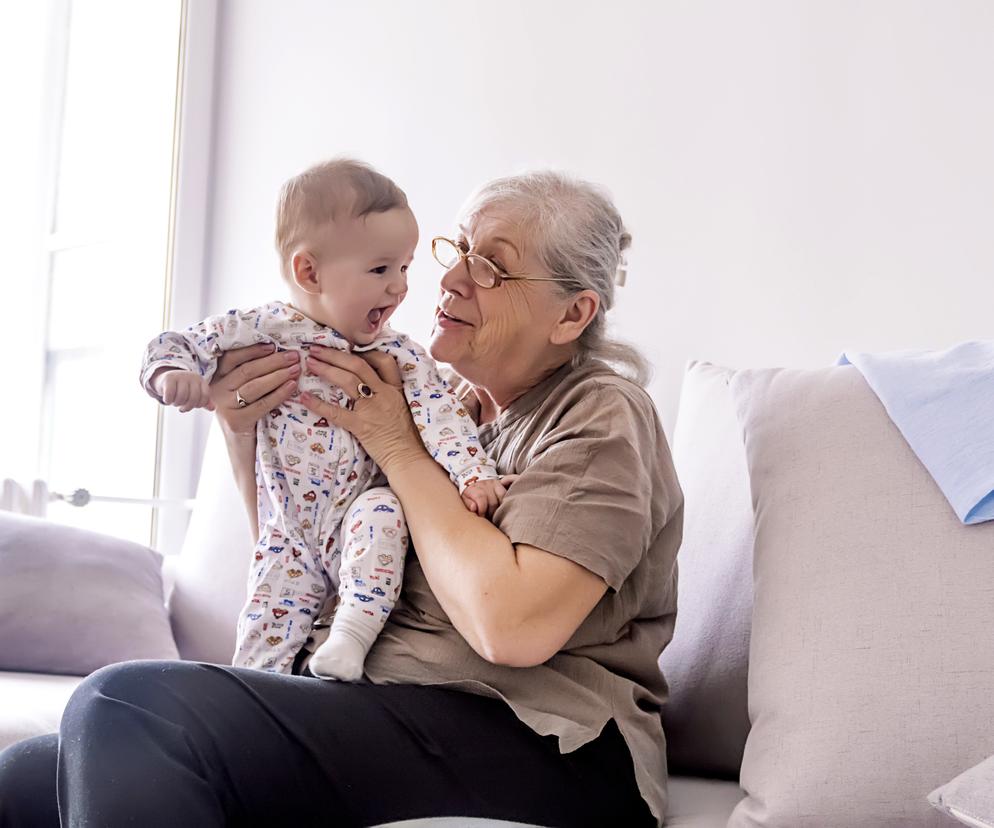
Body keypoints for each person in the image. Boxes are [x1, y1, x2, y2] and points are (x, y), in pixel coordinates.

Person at [0, 170, 682, 828]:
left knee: (126, 700)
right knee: (25, 779)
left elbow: (512, 627)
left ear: (573, 314)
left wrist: (396, 445)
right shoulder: (448, 405)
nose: (447, 279)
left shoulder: (599, 412)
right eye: (457, 251)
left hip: (546, 740)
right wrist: (240, 435)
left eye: (491, 267)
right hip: (379, 702)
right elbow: (310, 549)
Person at [139, 158, 505, 680]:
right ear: (308, 272)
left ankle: (350, 637)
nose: (400, 288)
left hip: (356, 515)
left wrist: (474, 473)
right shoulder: (261, 329)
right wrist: (171, 373)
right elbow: (177, 342)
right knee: (262, 636)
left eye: (404, 268)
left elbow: (443, 416)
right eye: (381, 270)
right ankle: (251, 700)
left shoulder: (398, 353)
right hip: (287, 531)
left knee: (383, 512)